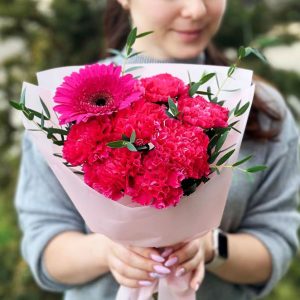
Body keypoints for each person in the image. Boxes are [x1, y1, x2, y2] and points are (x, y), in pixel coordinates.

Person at [15, 1, 300, 299]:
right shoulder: (69, 109)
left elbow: (274, 245)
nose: (196, 10)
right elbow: (44, 245)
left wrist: (212, 248)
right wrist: (109, 252)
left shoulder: (259, 111)